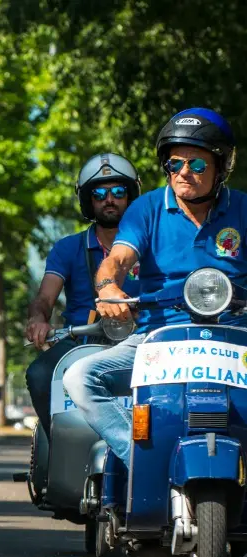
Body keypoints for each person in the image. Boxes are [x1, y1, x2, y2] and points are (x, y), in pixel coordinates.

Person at [64, 108, 246, 468]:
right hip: (157, 339)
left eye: (197, 165)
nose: (183, 174)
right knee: (79, 377)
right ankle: (146, 463)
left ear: (221, 167)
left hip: (235, 337)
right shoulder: (145, 209)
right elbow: (117, 259)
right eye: (175, 164)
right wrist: (109, 289)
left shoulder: (243, 208)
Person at [24, 152, 141, 440]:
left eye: (118, 191)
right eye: (100, 193)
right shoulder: (68, 247)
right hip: (81, 341)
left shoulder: (150, 246)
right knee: (39, 375)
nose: (109, 199)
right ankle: (59, 447)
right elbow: (45, 297)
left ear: (131, 196)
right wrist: (38, 319)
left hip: (140, 341)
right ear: (89, 200)